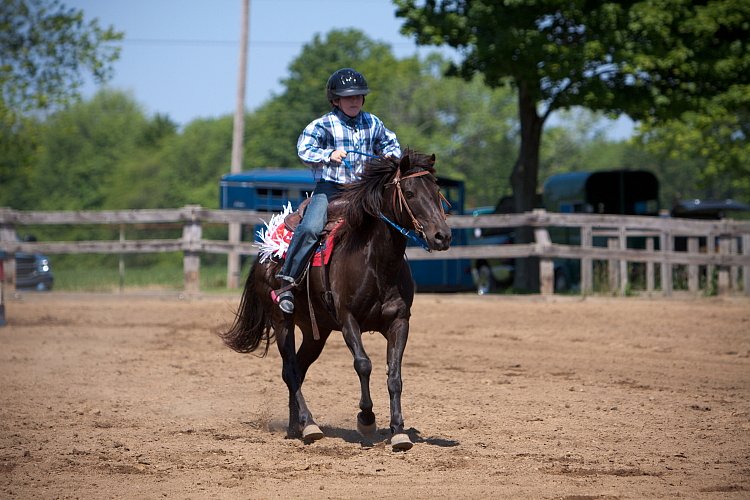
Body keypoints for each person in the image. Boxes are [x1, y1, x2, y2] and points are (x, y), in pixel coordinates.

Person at [273, 68, 401, 313]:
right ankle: (287, 283)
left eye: (358, 96)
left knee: (391, 224)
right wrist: (327, 155)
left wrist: (387, 158)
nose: (354, 101)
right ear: (335, 100)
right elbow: (304, 148)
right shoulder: (323, 124)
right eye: (347, 97)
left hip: (364, 190)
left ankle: (391, 284)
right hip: (331, 189)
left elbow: (391, 144)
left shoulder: (373, 123)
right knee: (310, 227)